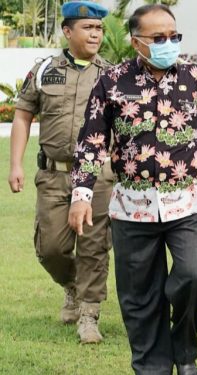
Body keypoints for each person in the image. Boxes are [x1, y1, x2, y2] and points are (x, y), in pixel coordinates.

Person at [67, 4, 197, 374]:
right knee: (139, 297)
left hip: (189, 203)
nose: (169, 43)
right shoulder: (111, 81)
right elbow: (92, 142)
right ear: (136, 42)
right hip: (133, 206)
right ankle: (152, 366)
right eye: (158, 38)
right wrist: (81, 195)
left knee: (194, 277)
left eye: (174, 36)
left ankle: (185, 352)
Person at [7, 1, 112, 345]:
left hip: (98, 175)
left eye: (98, 28)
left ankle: (88, 315)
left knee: (94, 246)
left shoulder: (111, 75)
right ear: (68, 32)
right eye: (88, 28)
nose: (95, 34)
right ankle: (72, 285)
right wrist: (16, 164)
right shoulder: (43, 71)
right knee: (50, 248)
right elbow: (23, 114)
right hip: (54, 174)